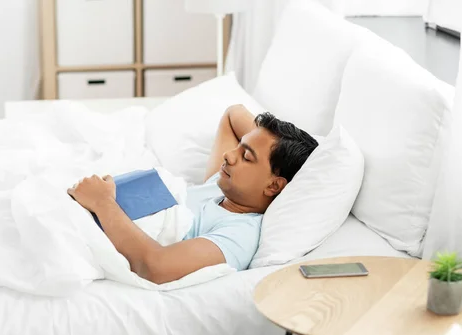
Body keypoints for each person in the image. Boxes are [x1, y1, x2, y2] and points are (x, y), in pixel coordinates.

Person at [67, 104, 319, 284]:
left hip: (82, 228)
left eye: (246, 156)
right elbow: (233, 114)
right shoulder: (221, 184)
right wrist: (269, 139)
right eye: (239, 147)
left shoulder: (239, 234)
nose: (229, 155)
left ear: (274, 186)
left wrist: (102, 202)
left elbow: (155, 266)